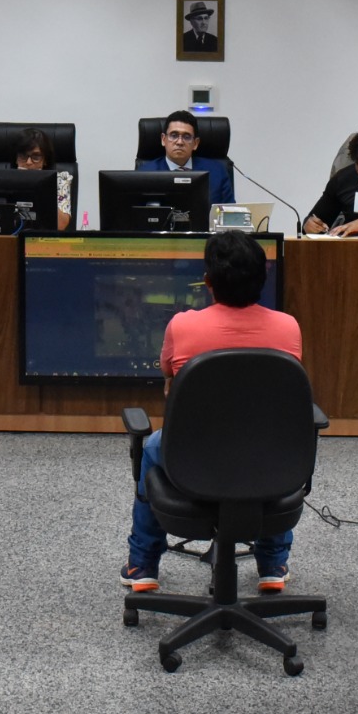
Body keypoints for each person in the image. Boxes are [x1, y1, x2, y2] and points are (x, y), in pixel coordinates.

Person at [122, 231, 302, 594]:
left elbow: (170, 379)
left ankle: (143, 565)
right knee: (275, 447)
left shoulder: (183, 325)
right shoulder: (288, 327)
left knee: (152, 451)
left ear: (207, 282)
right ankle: (272, 565)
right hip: (268, 457)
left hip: (191, 456)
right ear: (261, 279)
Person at [136, 109, 236, 205]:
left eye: (187, 137)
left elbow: (231, 215)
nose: (179, 142)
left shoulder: (218, 172)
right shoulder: (144, 174)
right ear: (163, 139)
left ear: (195, 143)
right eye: (174, 135)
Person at [14, 127, 72, 231]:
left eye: (36, 157)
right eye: (23, 156)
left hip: (44, 239)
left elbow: (61, 225)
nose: (28, 162)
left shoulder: (61, 180)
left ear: (45, 160)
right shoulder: (2, 178)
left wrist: (43, 187)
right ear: (16, 158)